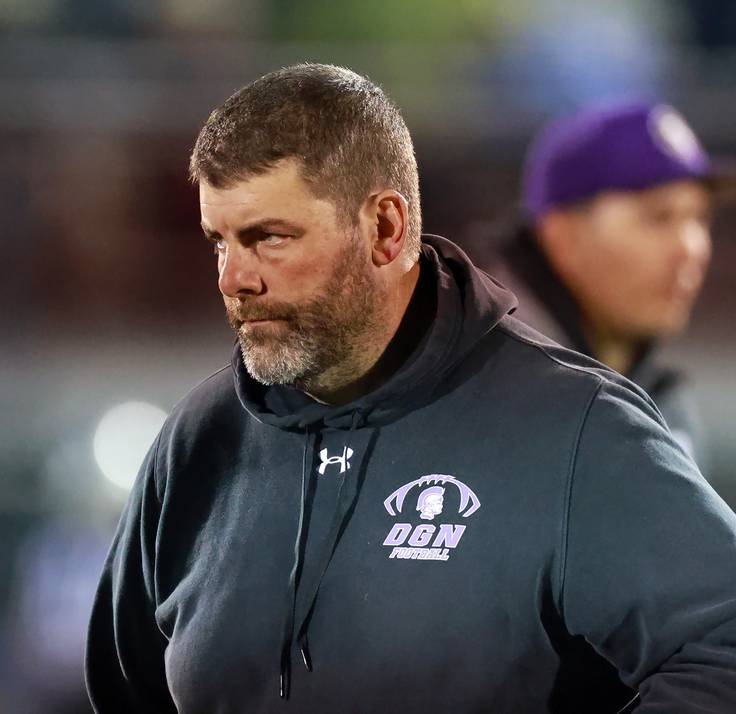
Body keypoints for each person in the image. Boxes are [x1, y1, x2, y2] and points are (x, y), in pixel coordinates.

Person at [85, 64, 736, 713]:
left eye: (270, 238)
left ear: (385, 229)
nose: (234, 279)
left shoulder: (576, 428)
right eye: (219, 243)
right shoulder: (196, 442)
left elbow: (723, 644)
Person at [477, 102, 724, 464]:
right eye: (659, 217)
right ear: (563, 237)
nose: (691, 248)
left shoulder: (663, 405)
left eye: (700, 218)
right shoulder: (482, 389)